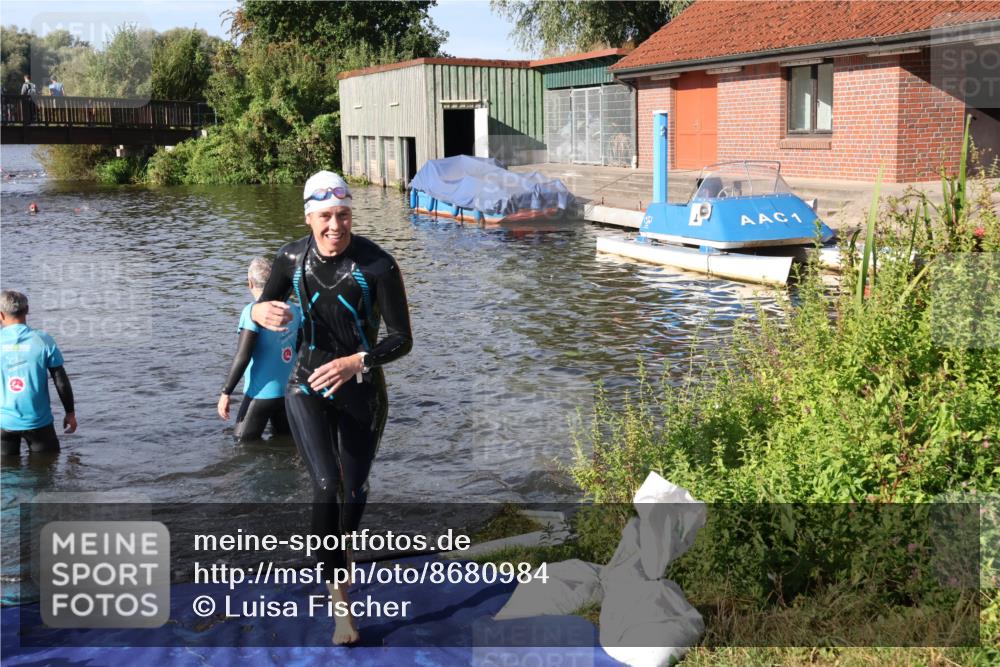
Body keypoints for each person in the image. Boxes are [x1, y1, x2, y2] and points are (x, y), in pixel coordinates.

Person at [251, 170, 412, 645]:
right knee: (326, 483)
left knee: (355, 489)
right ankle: (339, 598)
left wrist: (357, 361)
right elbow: (265, 305)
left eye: (343, 215)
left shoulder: (378, 265)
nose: (335, 226)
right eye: (325, 216)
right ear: (309, 217)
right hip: (305, 383)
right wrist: (262, 312)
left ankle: (340, 553)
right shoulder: (289, 257)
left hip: (362, 386)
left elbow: (402, 340)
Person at [217, 257, 302, 442]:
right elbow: (301, 350)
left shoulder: (253, 313)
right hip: (287, 395)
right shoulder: (294, 310)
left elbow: (243, 356)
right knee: (284, 444)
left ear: (250, 283)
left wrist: (226, 392)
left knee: (241, 445)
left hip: (260, 395)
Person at [0, 290, 77, 456]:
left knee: (6, 476)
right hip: (38, 422)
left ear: (0, 314)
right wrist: (70, 413)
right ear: (27, 310)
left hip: (3, 423)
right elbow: (60, 380)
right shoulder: (43, 340)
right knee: (45, 473)